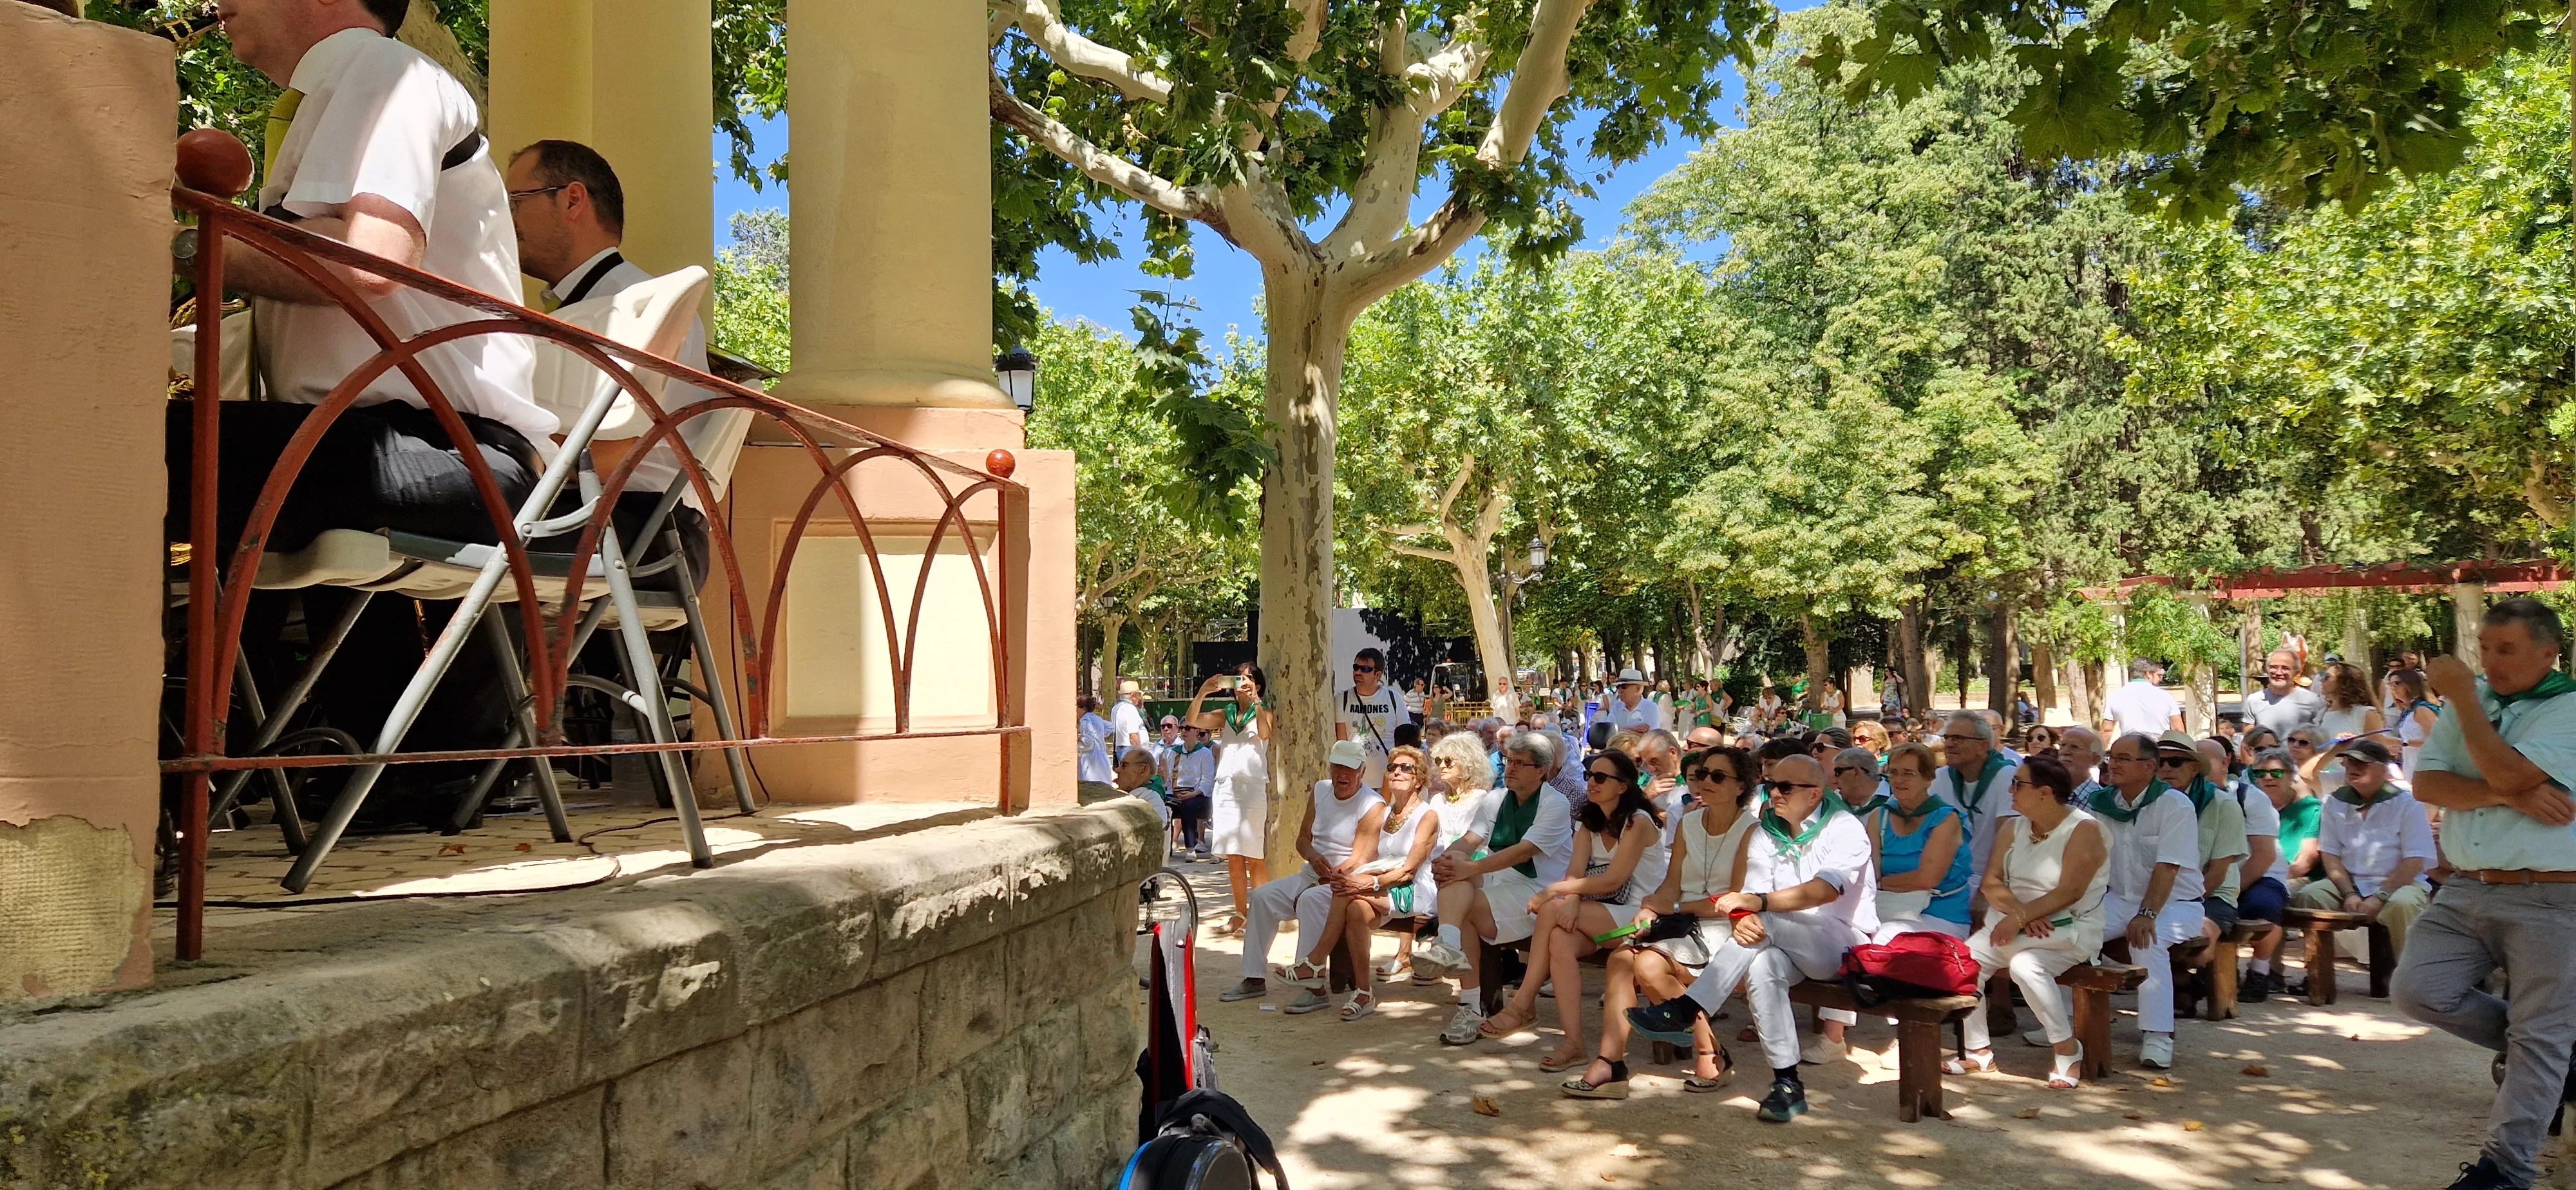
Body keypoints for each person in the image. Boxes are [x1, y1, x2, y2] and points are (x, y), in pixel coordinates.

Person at [2392, 599, 2576, 1190]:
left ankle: (2506, 1172)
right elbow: (2427, 782)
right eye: (2485, 649)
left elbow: (2508, 774)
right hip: (2469, 887)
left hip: (2553, 896)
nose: (2490, 663)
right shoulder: (2478, 705)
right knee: (2419, 991)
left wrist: (2465, 701)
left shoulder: (2569, 707)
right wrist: (2511, 795)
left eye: (2507, 649)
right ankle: (2557, 1056)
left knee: (2540, 1033)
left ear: (2549, 652)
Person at [1625, 754, 1877, 1123]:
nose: (1774, 792)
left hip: (1841, 943)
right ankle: (1787, 1082)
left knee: (1769, 923)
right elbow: (1753, 895)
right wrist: (1745, 917)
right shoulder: (1766, 831)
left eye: (1785, 787)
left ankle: (1687, 1008)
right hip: (1778, 941)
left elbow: (1824, 891)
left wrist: (1755, 906)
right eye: (1772, 784)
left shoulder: (1844, 828)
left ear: (1815, 794)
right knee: (1761, 967)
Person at [502, 138, 725, 549]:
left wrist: (499, 457)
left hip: (631, 529)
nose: (504, 217)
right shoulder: (619, 302)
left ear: (572, 201)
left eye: (515, 200)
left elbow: (624, 447)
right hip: (638, 528)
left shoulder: (634, 310)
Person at [1567, 746, 1762, 1099]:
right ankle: (1610, 1062)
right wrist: (1651, 907)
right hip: (1682, 922)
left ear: (1741, 786)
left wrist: (1675, 908)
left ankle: (1709, 1051)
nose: (1707, 782)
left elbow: (1736, 896)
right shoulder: (1688, 823)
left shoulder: (1752, 830)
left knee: (1646, 966)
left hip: (1722, 926)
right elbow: (1671, 884)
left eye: (1718, 776)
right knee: (1621, 958)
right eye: (1703, 774)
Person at [1481, 749, 1669, 1072]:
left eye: (1600, 777)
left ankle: (1523, 1004)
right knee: (1559, 940)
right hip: (1598, 914)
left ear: (1623, 786)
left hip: (1639, 917)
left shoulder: (1638, 822)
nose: (1591, 783)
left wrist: (1557, 893)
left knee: (1552, 910)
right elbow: (1575, 875)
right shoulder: (1590, 822)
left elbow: (1614, 880)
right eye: (1588, 776)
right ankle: (1574, 1044)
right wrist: (1568, 898)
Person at [1949, 756, 2109, 1088]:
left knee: (2025, 965)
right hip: (2010, 922)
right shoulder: (2013, 826)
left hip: (2069, 928)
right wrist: (2020, 915)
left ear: (2045, 792)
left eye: (2018, 784)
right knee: (1964, 964)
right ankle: (1978, 1050)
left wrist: (2024, 917)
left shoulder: (2086, 829)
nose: (2010, 790)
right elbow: (1991, 882)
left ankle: (2067, 1050)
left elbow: (2071, 891)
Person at [1814, 741, 1972, 1062]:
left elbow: (1927, 878)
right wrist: (1881, 886)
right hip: (1889, 907)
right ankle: (1833, 1038)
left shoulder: (1946, 818)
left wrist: (1883, 885)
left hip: (1941, 913)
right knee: (1847, 938)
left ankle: (1903, 1039)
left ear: (1929, 778)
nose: (1900, 780)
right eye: (1895, 773)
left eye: (1910, 774)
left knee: (1891, 939)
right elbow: (1869, 870)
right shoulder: (1880, 816)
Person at [1417, 731, 1577, 1044]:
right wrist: (1451, 858)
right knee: (1454, 877)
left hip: (1537, 892)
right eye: (1508, 760)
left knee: (1462, 898)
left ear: (1541, 770)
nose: (1510, 768)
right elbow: (1471, 840)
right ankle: (1450, 948)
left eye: (1520, 763)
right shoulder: (1496, 798)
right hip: (1497, 885)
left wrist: (1470, 867)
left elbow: (1523, 851)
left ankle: (1470, 1003)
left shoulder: (1555, 804)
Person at [1224, 740, 1385, 1013]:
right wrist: (1313, 857)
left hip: (1343, 883)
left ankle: (1313, 987)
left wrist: (1335, 874)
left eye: (1349, 769)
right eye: (1337, 767)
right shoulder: (1321, 790)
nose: (1341, 775)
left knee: (1310, 900)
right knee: (1262, 896)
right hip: (1312, 872)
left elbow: (1363, 857)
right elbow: (1302, 839)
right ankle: (1253, 977)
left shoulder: (1372, 804)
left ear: (1362, 771)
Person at [1287, 744, 1440, 1021]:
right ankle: (1363, 992)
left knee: (1348, 890)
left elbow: (1408, 871)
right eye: (1392, 767)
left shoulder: (1427, 815)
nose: (1397, 772)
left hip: (1412, 889)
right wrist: (1359, 879)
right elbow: (1367, 855)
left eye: (1407, 768)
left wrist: (1367, 883)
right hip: (1381, 885)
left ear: (1419, 779)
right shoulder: (1387, 812)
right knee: (1356, 909)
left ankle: (1316, 961)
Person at [2088, 732, 2203, 1069]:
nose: (2114, 764)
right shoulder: (2102, 803)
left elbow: (2168, 867)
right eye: (2113, 757)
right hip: (2119, 900)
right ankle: (2067, 1018)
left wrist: (2147, 913)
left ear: (2149, 767)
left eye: (2124, 758)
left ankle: (2158, 1035)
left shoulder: (2175, 805)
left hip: (2178, 904)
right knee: (2072, 934)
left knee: (2146, 940)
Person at [2290, 737, 2434, 955]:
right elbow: (2330, 855)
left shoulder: (2407, 804)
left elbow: (2414, 861)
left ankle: (2407, 976)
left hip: (2401, 885)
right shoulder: (2334, 802)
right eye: (2348, 762)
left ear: (2384, 770)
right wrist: (2349, 894)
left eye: (2361, 763)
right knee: (2311, 896)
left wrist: (2380, 897)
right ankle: (2320, 976)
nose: (2352, 768)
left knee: (2403, 905)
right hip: (2352, 883)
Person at [2159, 733, 2249, 1020]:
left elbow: (2218, 872)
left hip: (2212, 894)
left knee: (2195, 944)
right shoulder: (2146, 805)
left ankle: (2184, 984)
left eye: (2175, 762)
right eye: (2159, 762)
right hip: (2155, 894)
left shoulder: (2224, 805)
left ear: (2195, 767)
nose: (2166, 769)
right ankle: (2181, 985)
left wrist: (2182, 902)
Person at [1190, 665, 1273, 936]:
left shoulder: (1264, 710)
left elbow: (1265, 733)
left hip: (1252, 790)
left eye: (1248, 678)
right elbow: (1193, 720)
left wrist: (1257, 703)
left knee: (1254, 856)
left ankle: (1260, 917)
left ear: (1257, 685)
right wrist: (1204, 691)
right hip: (1226, 789)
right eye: (1239, 677)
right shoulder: (1226, 714)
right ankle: (1240, 913)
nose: (1243, 682)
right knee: (1234, 857)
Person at [2233, 746, 2313, 999]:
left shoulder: (2308, 808)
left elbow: (2307, 860)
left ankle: (2260, 973)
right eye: (2260, 773)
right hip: (2237, 870)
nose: (2268, 778)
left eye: (2277, 773)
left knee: (2265, 904)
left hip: (2281, 874)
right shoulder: (2238, 798)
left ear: (2292, 775)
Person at [1929, 712, 2020, 888]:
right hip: (1946, 877)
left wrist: (1985, 892)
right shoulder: (1940, 778)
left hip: (1993, 879)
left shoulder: (2007, 776)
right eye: (1947, 737)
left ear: (1983, 746)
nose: (1948, 744)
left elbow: (2009, 842)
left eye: (1958, 739)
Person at [1337, 647, 1412, 789]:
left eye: (1365, 669)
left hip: (1387, 782)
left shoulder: (1394, 699)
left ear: (1378, 674)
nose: (1358, 672)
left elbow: (1405, 744)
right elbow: (1342, 742)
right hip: (1355, 783)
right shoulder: (1342, 699)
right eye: (1356, 667)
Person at [2244, 650, 2327, 739]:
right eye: (2274, 667)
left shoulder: (2312, 701)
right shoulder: (2254, 700)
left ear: (2297, 673)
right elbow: (2247, 742)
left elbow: (2323, 736)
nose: (2278, 673)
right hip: (2265, 753)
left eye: (2285, 668)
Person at [1167, 724, 1217, 858]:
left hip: (1198, 794)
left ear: (1196, 732)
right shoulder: (1174, 752)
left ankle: (1190, 848)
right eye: (1182, 728)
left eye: (1188, 728)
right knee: (1162, 804)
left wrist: (1193, 794)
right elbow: (1168, 778)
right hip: (1176, 793)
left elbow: (1208, 780)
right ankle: (1166, 847)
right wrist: (1171, 791)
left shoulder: (1205, 753)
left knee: (1188, 806)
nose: (1184, 731)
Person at [2102, 659, 2185, 739]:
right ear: (2149, 674)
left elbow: (2107, 730)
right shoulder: (2165, 696)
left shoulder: (2116, 696)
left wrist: (2100, 752)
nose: (2160, 680)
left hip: (2130, 747)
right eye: (2158, 675)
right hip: (2158, 748)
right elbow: (2178, 729)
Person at [2387, 667, 2441, 775]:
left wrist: (2404, 742)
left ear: (2411, 684)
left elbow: (2439, 742)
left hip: (2429, 772)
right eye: (2390, 684)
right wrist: (2399, 748)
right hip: (2412, 770)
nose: (2393, 688)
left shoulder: (2423, 709)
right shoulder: (2407, 712)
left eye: (2397, 683)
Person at [1601, 670, 1660, 735]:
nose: (1620, 691)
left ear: (1638, 688)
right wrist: (1634, 729)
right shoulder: (1617, 707)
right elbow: (1608, 731)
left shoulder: (1651, 708)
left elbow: (1651, 737)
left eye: (1624, 687)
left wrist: (1619, 730)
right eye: (1618, 686)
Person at [1075, 695, 1115, 785]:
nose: (1076, 712)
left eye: (1078, 709)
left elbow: (1088, 741)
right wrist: (1100, 735)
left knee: (1090, 784)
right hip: (1101, 754)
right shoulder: (1097, 718)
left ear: (1084, 709)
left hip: (1090, 758)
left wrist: (1078, 738)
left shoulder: (1085, 720)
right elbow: (1110, 727)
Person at [1110, 679, 1151, 759]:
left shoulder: (1116, 707)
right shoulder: (1130, 708)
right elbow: (1133, 735)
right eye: (1138, 695)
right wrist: (1140, 753)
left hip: (1120, 748)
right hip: (1130, 750)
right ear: (1133, 695)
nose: (1139, 698)